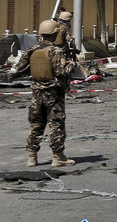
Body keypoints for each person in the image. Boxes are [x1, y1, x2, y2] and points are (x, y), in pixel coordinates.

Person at [15, 19, 76, 167]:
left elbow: (19, 70)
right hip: (54, 93)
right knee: (56, 124)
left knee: (36, 123)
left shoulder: (31, 49)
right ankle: (58, 157)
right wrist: (72, 65)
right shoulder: (56, 51)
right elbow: (61, 72)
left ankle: (32, 157)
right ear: (55, 33)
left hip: (36, 93)